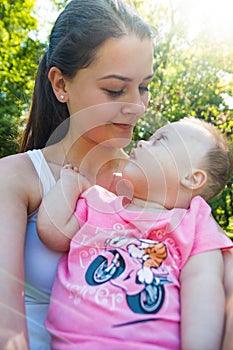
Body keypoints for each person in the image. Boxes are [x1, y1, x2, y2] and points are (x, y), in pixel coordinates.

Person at [0, 0, 155, 349]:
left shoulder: (153, 185)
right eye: (115, 89)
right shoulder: (15, 179)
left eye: (144, 86)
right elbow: (5, 329)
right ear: (61, 84)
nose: (137, 105)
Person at [37, 117, 233, 350]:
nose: (141, 143)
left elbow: (203, 284)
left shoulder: (194, 222)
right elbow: (52, 232)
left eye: (159, 140)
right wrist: (69, 183)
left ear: (192, 178)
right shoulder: (98, 201)